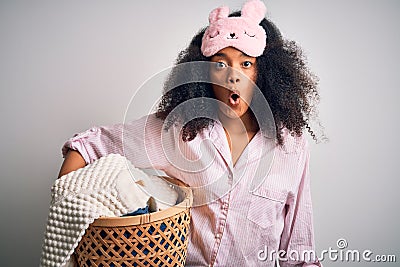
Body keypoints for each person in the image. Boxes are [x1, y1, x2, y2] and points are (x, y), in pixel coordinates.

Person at [59, 0, 324, 266]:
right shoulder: (181, 131)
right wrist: (66, 203)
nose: (233, 76)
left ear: (265, 72)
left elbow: (300, 253)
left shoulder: (292, 145)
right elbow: (90, 144)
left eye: (246, 64)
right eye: (220, 64)